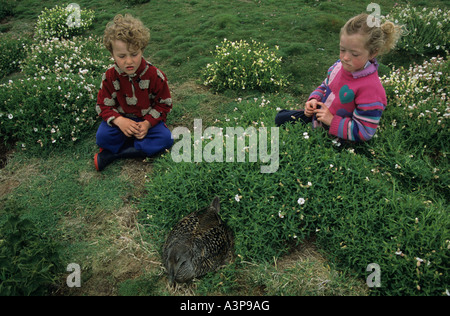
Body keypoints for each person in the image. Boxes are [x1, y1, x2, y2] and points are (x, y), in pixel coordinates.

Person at [275, 13, 402, 142]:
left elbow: (365, 131)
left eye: (354, 53)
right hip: (317, 117)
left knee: (298, 142)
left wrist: (331, 120)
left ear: (373, 53)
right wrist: (314, 100)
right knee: (280, 118)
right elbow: (325, 86)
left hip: (336, 134)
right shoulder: (339, 65)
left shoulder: (371, 89)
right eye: (342, 50)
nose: (345, 57)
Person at [94, 14, 174, 171]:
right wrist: (119, 121)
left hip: (146, 121)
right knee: (102, 137)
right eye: (122, 56)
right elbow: (102, 105)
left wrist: (147, 123)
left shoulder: (155, 75)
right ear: (112, 54)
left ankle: (115, 154)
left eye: (134, 54)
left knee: (165, 139)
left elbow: (164, 105)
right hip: (121, 120)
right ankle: (135, 146)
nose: (129, 61)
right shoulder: (110, 76)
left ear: (142, 49)